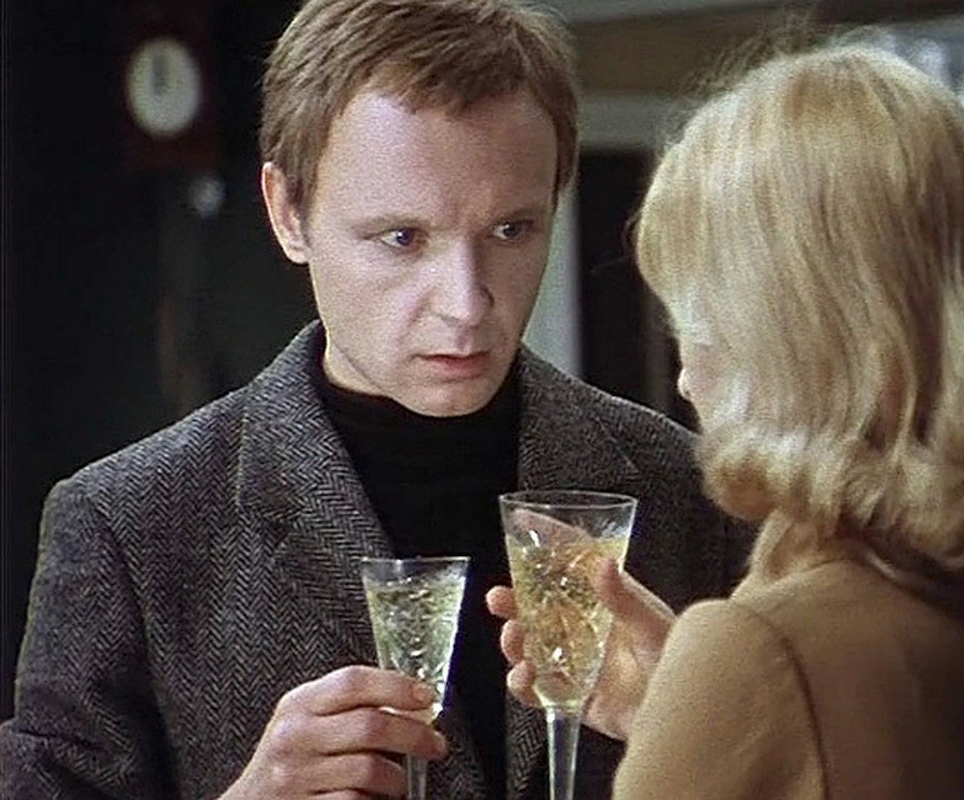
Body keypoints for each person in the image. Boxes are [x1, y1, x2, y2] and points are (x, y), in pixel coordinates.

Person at [0, 1, 749, 798]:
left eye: (511, 230)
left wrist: (712, 735)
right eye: (403, 238)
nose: (466, 303)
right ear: (288, 213)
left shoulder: (693, 494)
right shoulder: (129, 526)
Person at [600, 43, 964, 799]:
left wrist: (717, 699)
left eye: (703, 323)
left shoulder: (758, 653)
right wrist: (685, 720)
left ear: (790, 341)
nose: (688, 380)